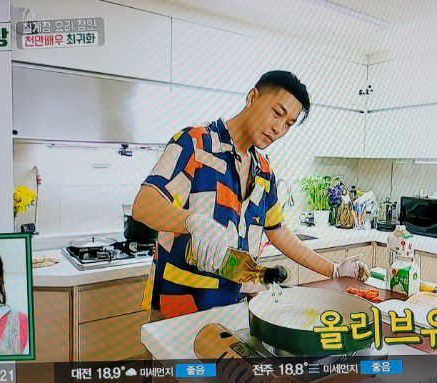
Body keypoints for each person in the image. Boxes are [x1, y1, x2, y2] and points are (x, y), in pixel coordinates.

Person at [133, 70, 370, 320]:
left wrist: (334, 270)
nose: (278, 128)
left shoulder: (263, 171)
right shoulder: (195, 144)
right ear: (252, 97)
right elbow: (144, 204)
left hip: (232, 308)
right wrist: (191, 221)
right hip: (179, 309)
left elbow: (278, 231)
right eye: (277, 113)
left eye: (288, 124)